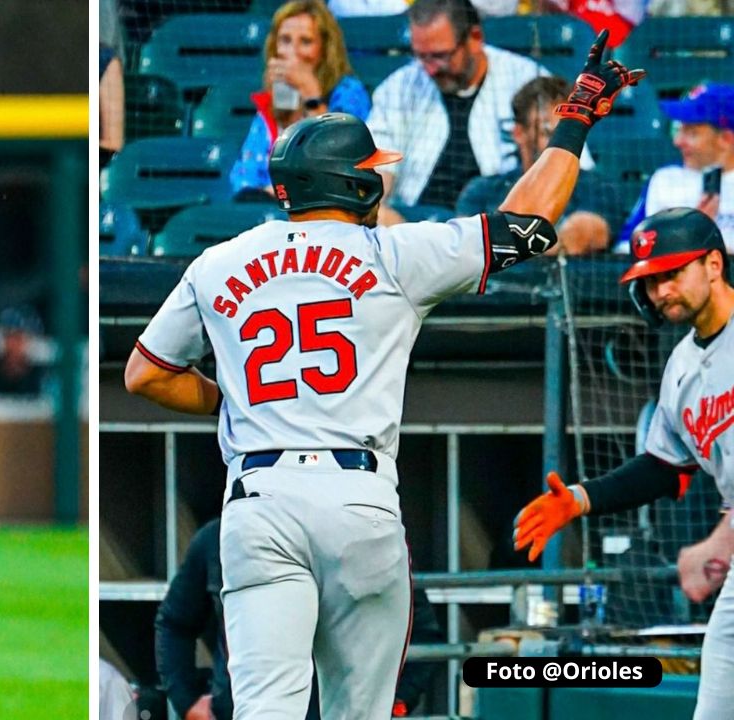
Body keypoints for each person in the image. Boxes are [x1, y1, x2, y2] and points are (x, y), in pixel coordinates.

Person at [125, 32, 641, 718]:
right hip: (356, 498)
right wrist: (576, 116)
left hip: (258, 499)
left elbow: (144, 374)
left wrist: (232, 404)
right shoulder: (394, 254)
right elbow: (527, 222)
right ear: (358, 182)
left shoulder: (218, 261)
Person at [513, 207, 734, 720]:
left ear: (714, 265)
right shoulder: (681, 368)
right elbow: (664, 465)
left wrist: (718, 542)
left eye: (672, 274)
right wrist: (582, 499)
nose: (660, 292)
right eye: (652, 281)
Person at [155, 518, 441, 720]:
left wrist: (393, 704)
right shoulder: (222, 538)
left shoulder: (369, 538)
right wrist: (187, 701)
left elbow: (422, 635)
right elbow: (174, 623)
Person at [367, 0, 559, 224]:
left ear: (475, 38)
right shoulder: (400, 86)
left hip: (495, 224)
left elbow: (569, 165)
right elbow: (379, 169)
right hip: (414, 224)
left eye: (440, 56)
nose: (429, 68)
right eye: (421, 56)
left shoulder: (525, 78)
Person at [457, 76, 624, 255]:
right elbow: (468, 251)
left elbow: (581, 235)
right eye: (548, 133)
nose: (562, 143)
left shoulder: (597, 188)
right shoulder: (482, 192)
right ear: (519, 133)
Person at [230, 0, 371, 199]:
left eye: (305, 41)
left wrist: (311, 94)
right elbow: (243, 177)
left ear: (325, 49)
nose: (293, 51)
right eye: (285, 40)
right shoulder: (273, 98)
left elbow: (340, 164)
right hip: (271, 208)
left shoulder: (349, 92)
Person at [617, 84, 734, 254]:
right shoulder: (665, 179)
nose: (678, 141)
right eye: (679, 130)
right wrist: (689, 233)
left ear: (725, 139)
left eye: (692, 133)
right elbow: (625, 249)